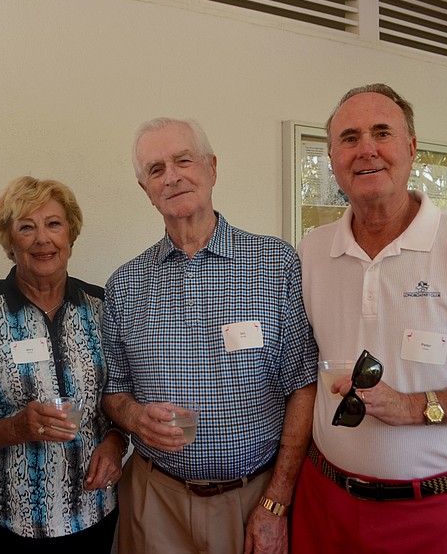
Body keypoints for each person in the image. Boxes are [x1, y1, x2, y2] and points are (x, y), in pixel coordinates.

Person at [291, 83, 447, 553]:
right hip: (327, 505)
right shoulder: (311, 252)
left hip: (438, 516)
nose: (366, 149)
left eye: (382, 133)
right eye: (349, 138)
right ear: (331, 158)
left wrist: (417, 405)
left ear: (411, 147)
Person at [102, 117, 319, 554]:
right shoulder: (124, 285)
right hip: (154, 501)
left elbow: (304, 386)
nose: (173, 176)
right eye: (156, 169)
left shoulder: (275, 264)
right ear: (145, 189)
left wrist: (276, 502)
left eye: (184, 160)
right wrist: (133, 417)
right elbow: (115, 390)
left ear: (212, 168)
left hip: (252, 499)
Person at [0, 175, 125, 554]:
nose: (42, 239)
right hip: (8, 522)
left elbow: (119, 400)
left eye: (54, 224)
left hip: (93, 513)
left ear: (71, 235)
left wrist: (116, 443)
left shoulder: (102, 307)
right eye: (26, 227)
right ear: (10, 242)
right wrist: (17, 427)